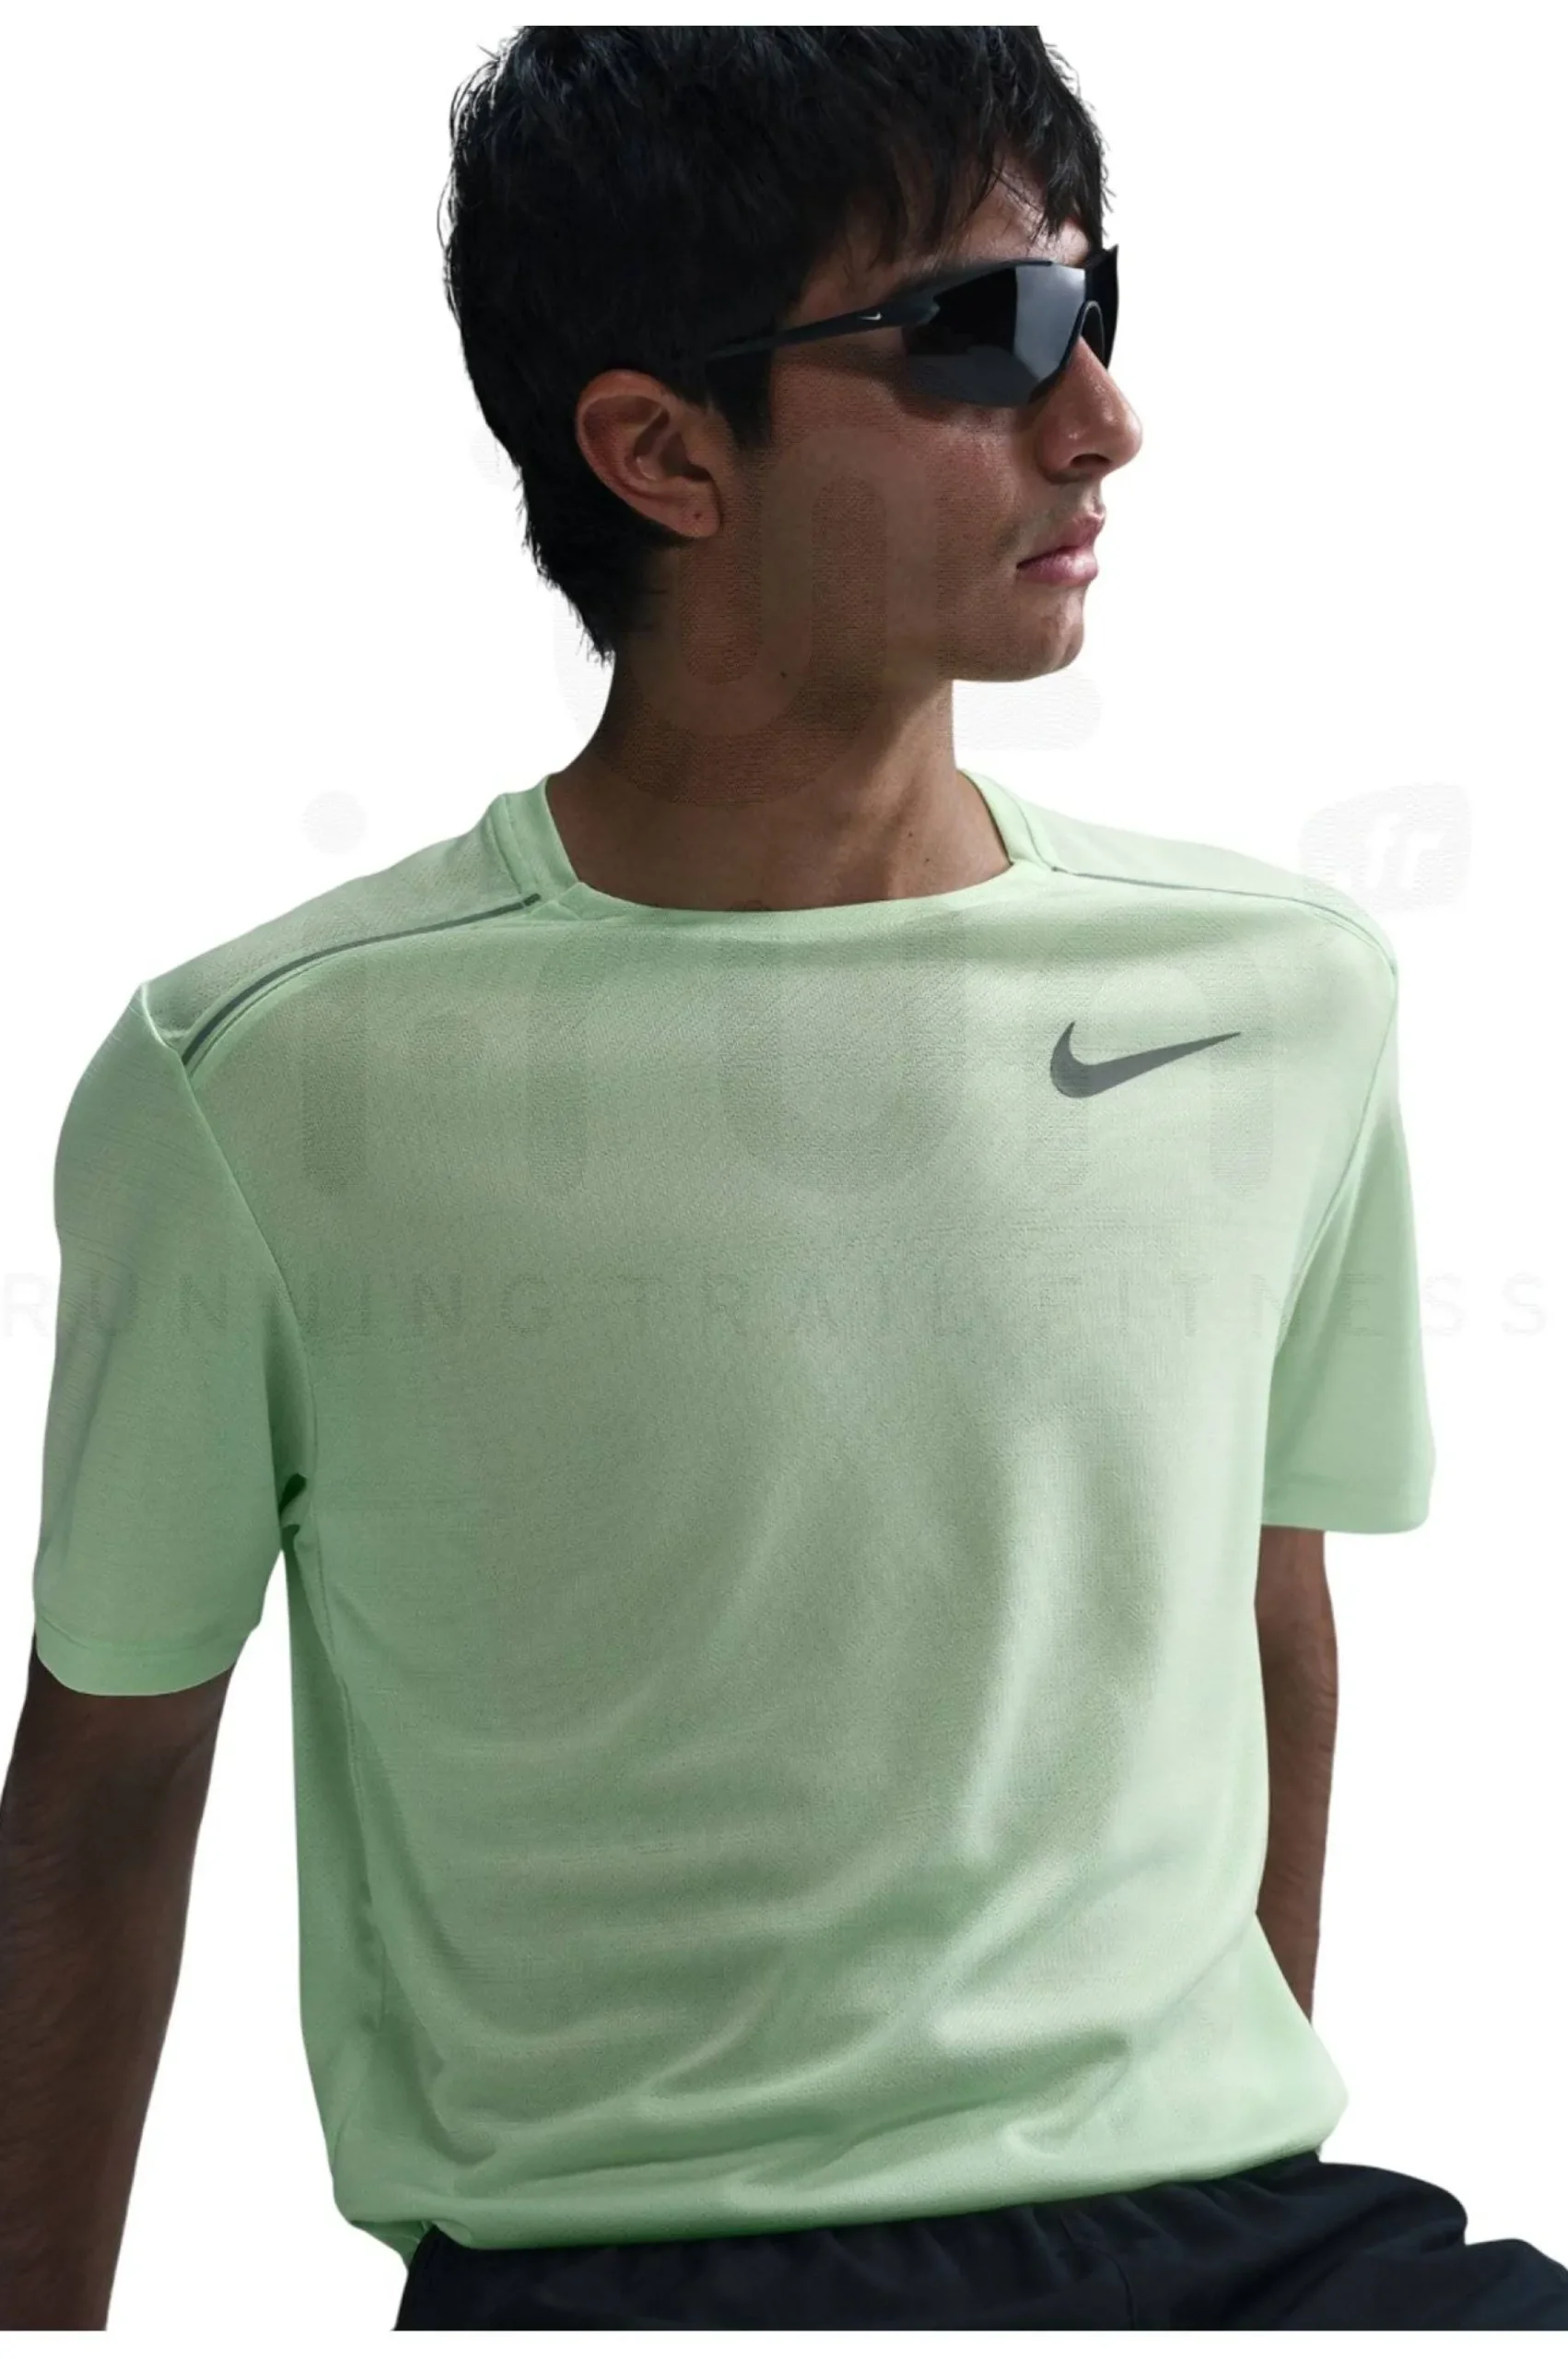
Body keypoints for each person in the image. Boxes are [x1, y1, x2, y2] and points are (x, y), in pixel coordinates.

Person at [2, 26, 1563, 2334]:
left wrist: (1195, 2157)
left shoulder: (1279, 991)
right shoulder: (267, 1078)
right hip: (630, 2262)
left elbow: (1261, 1611)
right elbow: (114, 1778)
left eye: (1093, 307)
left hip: (1233, 2237)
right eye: (983, 331)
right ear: (659, 450)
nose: (1099, 416)